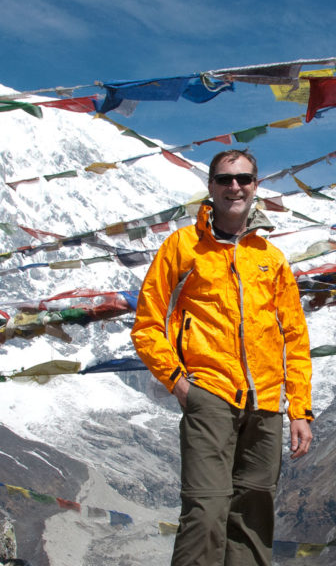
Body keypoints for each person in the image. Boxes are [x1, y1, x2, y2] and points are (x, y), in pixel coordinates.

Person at [131, 149, 313, 566]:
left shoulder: (270, 257)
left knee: (252, 518)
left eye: (244, 179)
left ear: (256, 186)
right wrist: (179, 382)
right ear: (210, 187)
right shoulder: (182, 246)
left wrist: (299, 408)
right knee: (206, 512)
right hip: (209, 393)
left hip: (266, 404)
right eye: (225, 180)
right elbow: (146, 324)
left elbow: (295, 337)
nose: (236, 187)